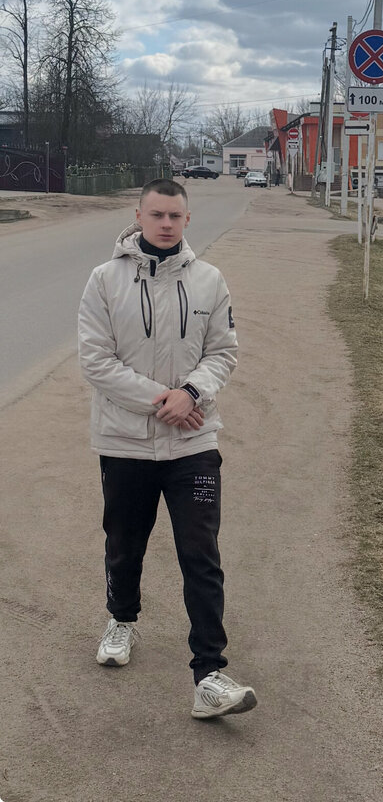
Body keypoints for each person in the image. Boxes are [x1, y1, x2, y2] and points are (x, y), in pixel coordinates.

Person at [78, 178, 256, 720]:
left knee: (200, 554)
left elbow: (223, 352)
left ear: (187, 220)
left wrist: (193, 394)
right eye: (156, 214)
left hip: (193, 443)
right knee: (124, 542)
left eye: (175, 216)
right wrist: (166, 400)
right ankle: (122, 620)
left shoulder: (209, 280)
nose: (165, 224)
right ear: (138, 215)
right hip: (125, 442)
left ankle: (210, 675)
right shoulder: (105, 280)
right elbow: (96, 361)